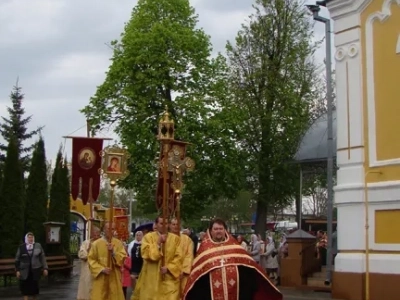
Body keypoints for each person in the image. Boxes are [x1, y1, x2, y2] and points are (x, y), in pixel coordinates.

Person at [183, 218, 282, 300]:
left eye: (221, 229)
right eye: (216, 229)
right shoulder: (204, 250)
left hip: (237, 293)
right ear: (210, 231)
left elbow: (247, 268)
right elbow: (198, 275)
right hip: (209, 294)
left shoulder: (235, 247)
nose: (218, 231)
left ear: (225, 230)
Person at [131, 216, 183, 300]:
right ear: (156, 224)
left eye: (166, 223)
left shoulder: (175, 239)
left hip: (168, 278)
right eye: (161, 223)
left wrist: (169, 268)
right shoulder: (148, 237)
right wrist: (158, 243)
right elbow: (145, 254)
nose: (164, 226)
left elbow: (179, 257)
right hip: (151, 278)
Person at [87, 222, 127, 300]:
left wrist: (113, 252)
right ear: (104, 230)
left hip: (114, 277)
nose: (110, 231)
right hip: (101, 278)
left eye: (112, 229)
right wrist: (102, 269)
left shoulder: (118, 243)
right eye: (108, 229)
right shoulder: (96, 244)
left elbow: (122, 258)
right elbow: (91, 260)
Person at [15, 232, 48, 300]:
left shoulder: (38, 246)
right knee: (25, 290)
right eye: (29, 237)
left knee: (34, 290)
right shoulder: (21, 247)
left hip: (35, 270)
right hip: (24, 271)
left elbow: (42, 257)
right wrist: (17, 270)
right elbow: (17, 260)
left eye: (32, 237)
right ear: (26, 238)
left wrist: (45, 268)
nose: (30, 239)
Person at [77, 226, 101, 300]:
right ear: (91, 234)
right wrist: (89, 250)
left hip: (98, 271)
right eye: (94, 233)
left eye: (97, 233)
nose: (96, 235)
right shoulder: (86, 243)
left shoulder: (102, 243)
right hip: (87, 270)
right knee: (86, 292)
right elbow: (81, 255)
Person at [170, 222, 194, 295]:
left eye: (177, 224)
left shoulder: (187, 239)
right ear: (169, 225)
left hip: (183, 274)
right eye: (173, 224)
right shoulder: (166, 238)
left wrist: (183, 270)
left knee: (183, 292)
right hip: (169, 272)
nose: (175, 226)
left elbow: (189, 256)